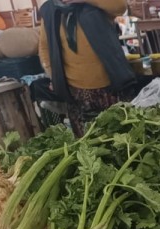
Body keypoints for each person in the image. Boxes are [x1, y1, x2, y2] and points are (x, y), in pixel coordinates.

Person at [38, 0, 135, 136]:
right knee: (87, 141)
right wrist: (53, 75)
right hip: (75, 91)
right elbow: (44, 47)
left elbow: (120, 6)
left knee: (120, 136)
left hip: (111, 87)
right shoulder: (51, 10)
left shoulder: (95, 5)